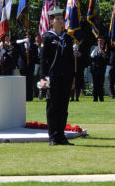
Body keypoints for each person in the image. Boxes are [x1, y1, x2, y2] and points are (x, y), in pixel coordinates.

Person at [39, 8, 75, 146]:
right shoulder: (48, 37)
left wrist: (73, 77)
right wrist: (42, 77)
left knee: (63, 107)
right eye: (57, 19)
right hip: (53, 77)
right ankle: (53, 137)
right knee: (53, 107)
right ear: (52, 22)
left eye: (62, 18)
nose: (61, 21)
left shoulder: (67, 38)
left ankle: (61, 135)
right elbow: (43, 59)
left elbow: (71, 59)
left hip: (66, 77)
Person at [16, 36, 39, 101]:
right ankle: (23, 97)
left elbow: (36, 55)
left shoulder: (34, 45)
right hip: (23, 66)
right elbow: (14, 43)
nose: (28, 38)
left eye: (28, 37)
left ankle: (29, 97)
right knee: (23, 82)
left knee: (30, 82)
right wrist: (23, 40)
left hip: (31, 65)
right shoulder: (21, 44)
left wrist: (29, 53)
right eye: (26, 37)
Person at [90, 36, 108, 102]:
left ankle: (101, 98)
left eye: (101, 40)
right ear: (97, 41)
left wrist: (104, 54)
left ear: (104, 41)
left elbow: (107, 58)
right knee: (95, 84)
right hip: (94, 69)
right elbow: (91, 57)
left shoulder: (106, 48)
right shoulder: (93, 47)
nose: (100, 42)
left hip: (102, 69)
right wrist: (96, 50)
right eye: (99, 40)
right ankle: (95, 99)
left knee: (100, 84)